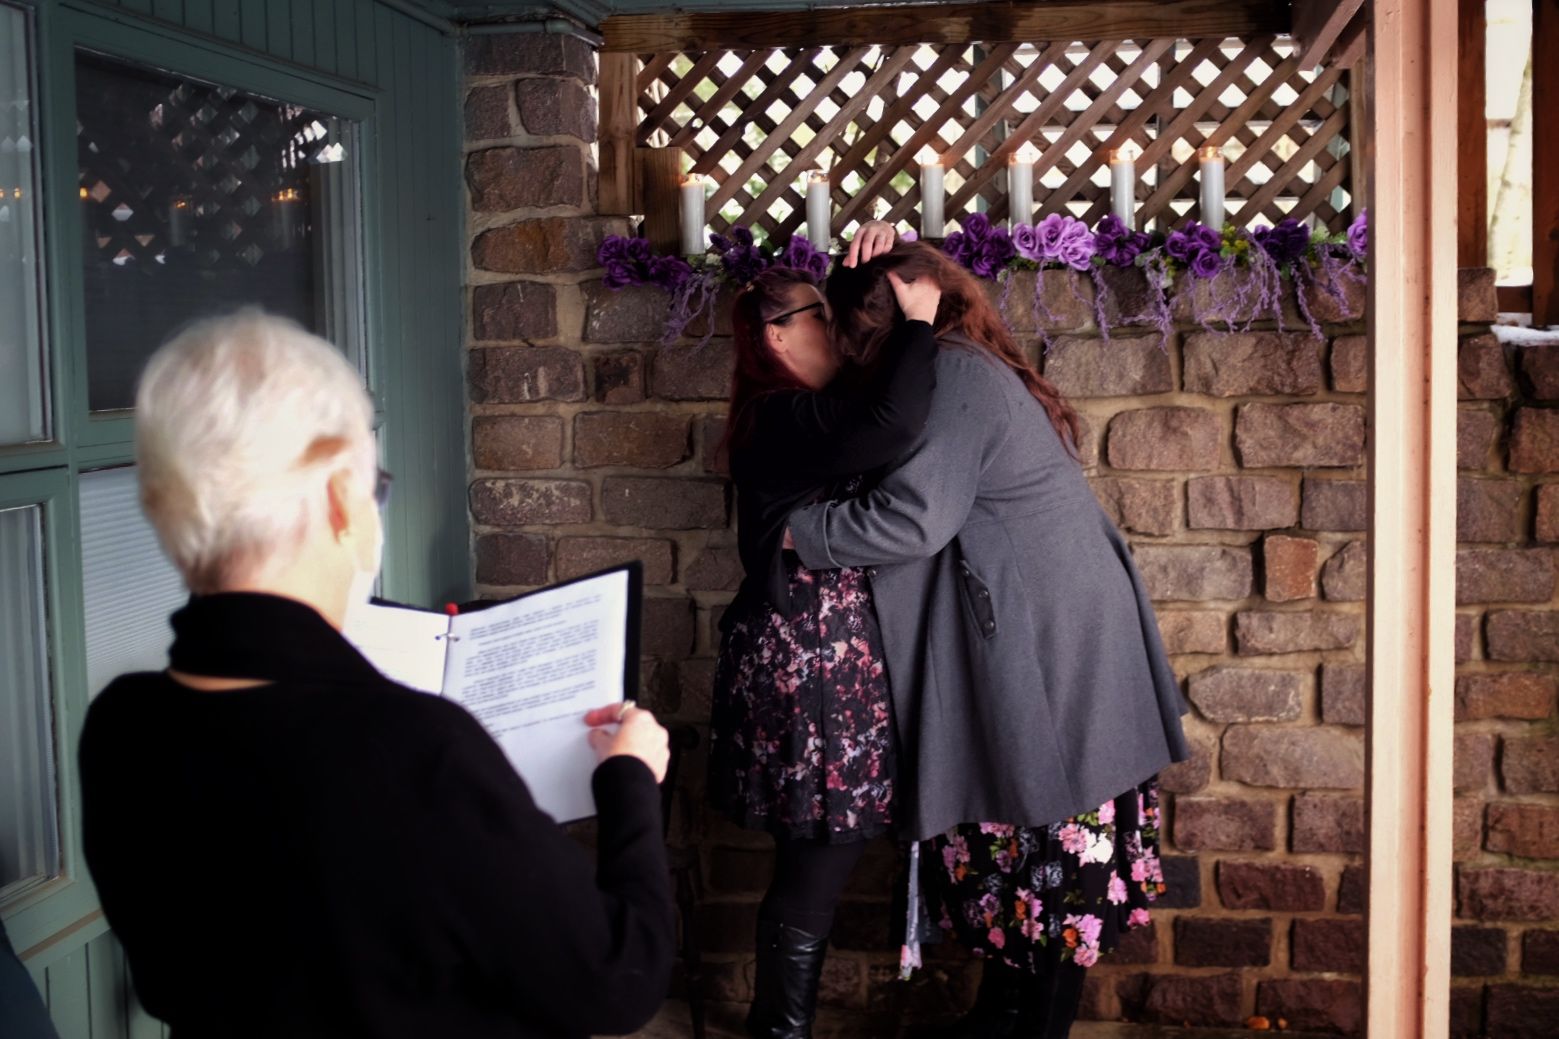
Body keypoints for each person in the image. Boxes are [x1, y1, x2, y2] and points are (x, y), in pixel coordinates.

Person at [78, 312, 675, 1039]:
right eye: (375, 485)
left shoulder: (121, 724)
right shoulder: (414, 747)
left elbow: (169, 984)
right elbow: (618, 983)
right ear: (337, 495)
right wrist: (630, 782)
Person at [788, 243, 1190, 1039]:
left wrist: (794, 532)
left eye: (837, 329)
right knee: (1019, 837)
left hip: (1052, 638)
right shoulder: (951, 358)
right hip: (1040, 623)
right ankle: (998, 1017)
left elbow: (914, 517)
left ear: (863, 329)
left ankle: (1028, 1028)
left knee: (1053, 844)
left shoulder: (956, 375)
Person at [707, 249, 940, 1039]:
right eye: (818, 313)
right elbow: (895, 420)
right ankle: (777, 1031)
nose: (836, 329)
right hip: (805, 667)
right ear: (777, 336)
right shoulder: (778, 416)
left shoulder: (807, 411)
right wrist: (917, 321)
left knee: (818, 852)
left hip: (821, 662)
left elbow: (880, 407)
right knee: (818, 852)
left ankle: (779, 1028)